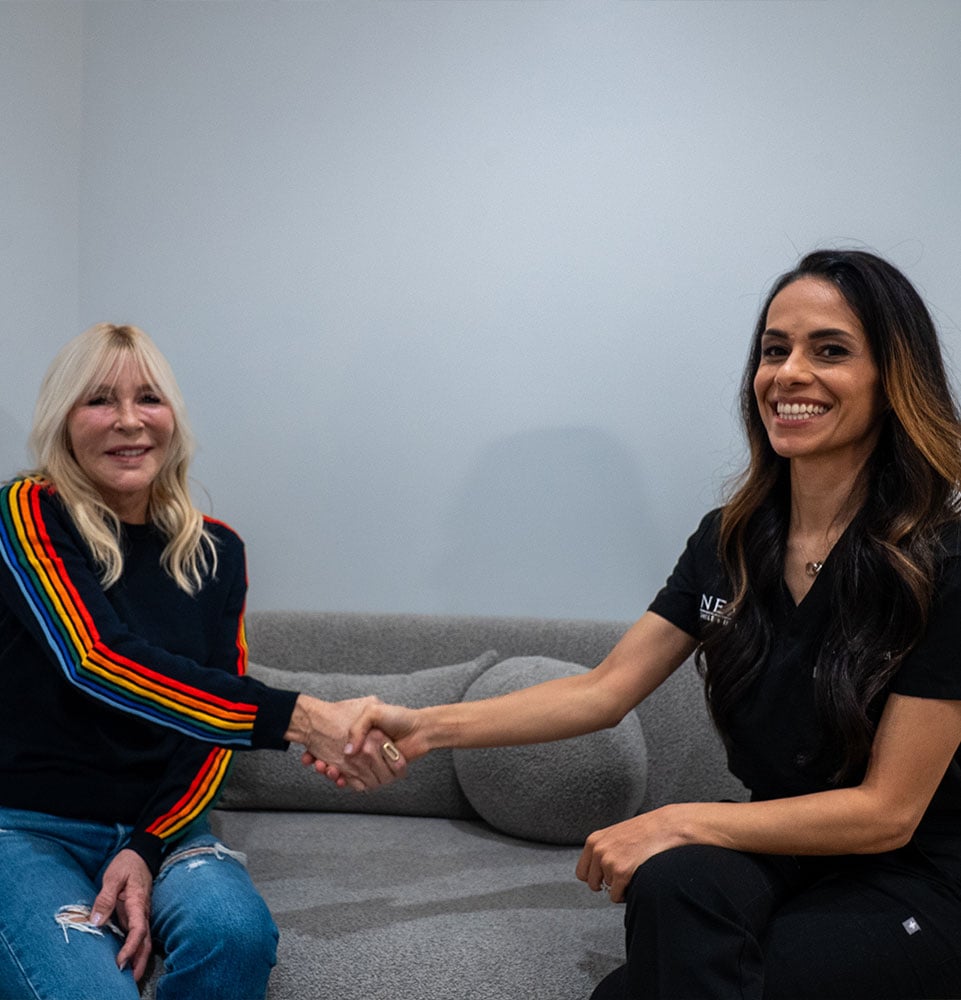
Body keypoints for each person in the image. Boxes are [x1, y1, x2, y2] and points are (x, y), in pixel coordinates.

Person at [334, 249, 961, 999]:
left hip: (916, 873)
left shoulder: (940, 560)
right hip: (786, 844)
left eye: (829, 350)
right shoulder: (730, 540)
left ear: (892, 379)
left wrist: (681, 818)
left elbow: (887, 814)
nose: (788, 373)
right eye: (772, 350)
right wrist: (426, 727)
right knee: (674, 883)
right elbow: (601, 690)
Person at [0, 324, 405, 1000]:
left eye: (148, 398)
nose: (129, 421)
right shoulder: (26, 512)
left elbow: (211, 719)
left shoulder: (217, 550)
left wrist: (148, 845)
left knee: (234, 936)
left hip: (167, 825)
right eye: (99, 400)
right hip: (29, 825)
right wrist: (300, 719)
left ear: (173, 417)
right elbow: (95, 659)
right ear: (64, 420)